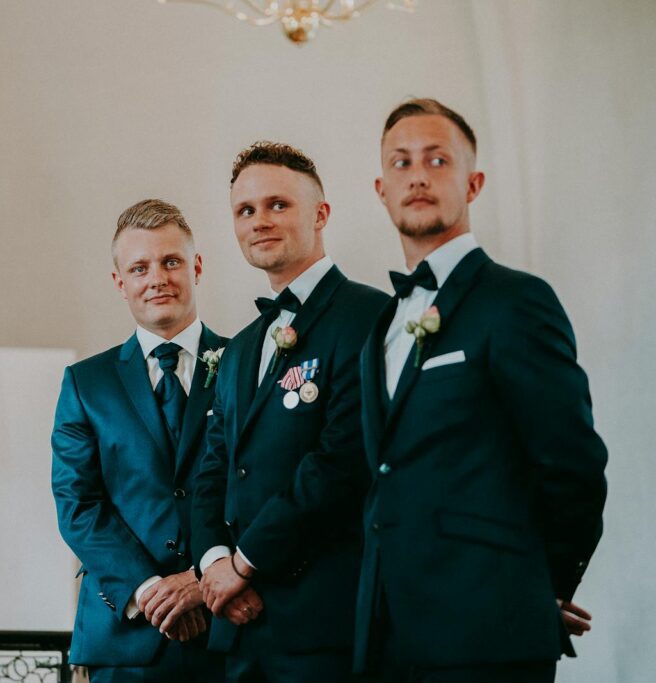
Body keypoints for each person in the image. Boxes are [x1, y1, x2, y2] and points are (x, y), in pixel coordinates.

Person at [353, 98, 608, 682]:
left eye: (437, 160)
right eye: (401, 162)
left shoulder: (517, 301)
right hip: (385, 638)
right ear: (380, 187)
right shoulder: (380, 326)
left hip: (489, 635)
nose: (417, 174)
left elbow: (573, 465)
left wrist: (536, 588)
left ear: (473, 182)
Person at [190, 142, 388, 682]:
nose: (260, 221)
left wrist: (245, 564)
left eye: (278, 204)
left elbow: (341, 460)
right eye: (245, 210)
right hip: (238, 626)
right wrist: (213, 566)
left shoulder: (369, 316)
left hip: (324, 620)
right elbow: (215, 469)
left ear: (321, 214)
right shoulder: (238, 350)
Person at [51, 199, 227, 682]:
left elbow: (259, 485)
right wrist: (151, 591)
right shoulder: (87, 384)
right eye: (139, 267)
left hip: (229, 629)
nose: (158, 278)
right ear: (119, 283)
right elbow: (78, 505)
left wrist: (200, 581)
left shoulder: (243, 364)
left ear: (196, 267)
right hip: (124, 638)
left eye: (171, 261)